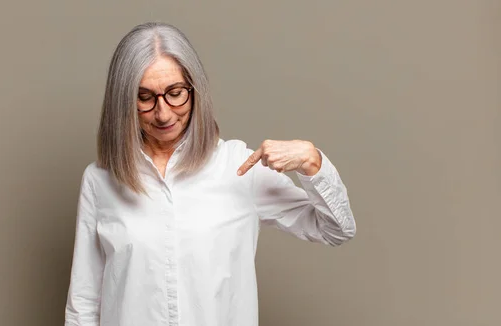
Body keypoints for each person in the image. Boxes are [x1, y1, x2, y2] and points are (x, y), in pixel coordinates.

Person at [65, 22, 356, 326]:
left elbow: (337, 229)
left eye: (175, 93)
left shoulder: (240, 169)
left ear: (195, 90)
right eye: (145, 97)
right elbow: (84, 302)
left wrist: (313, 162)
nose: (163, 113)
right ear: (123, 102)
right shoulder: (99, 180)